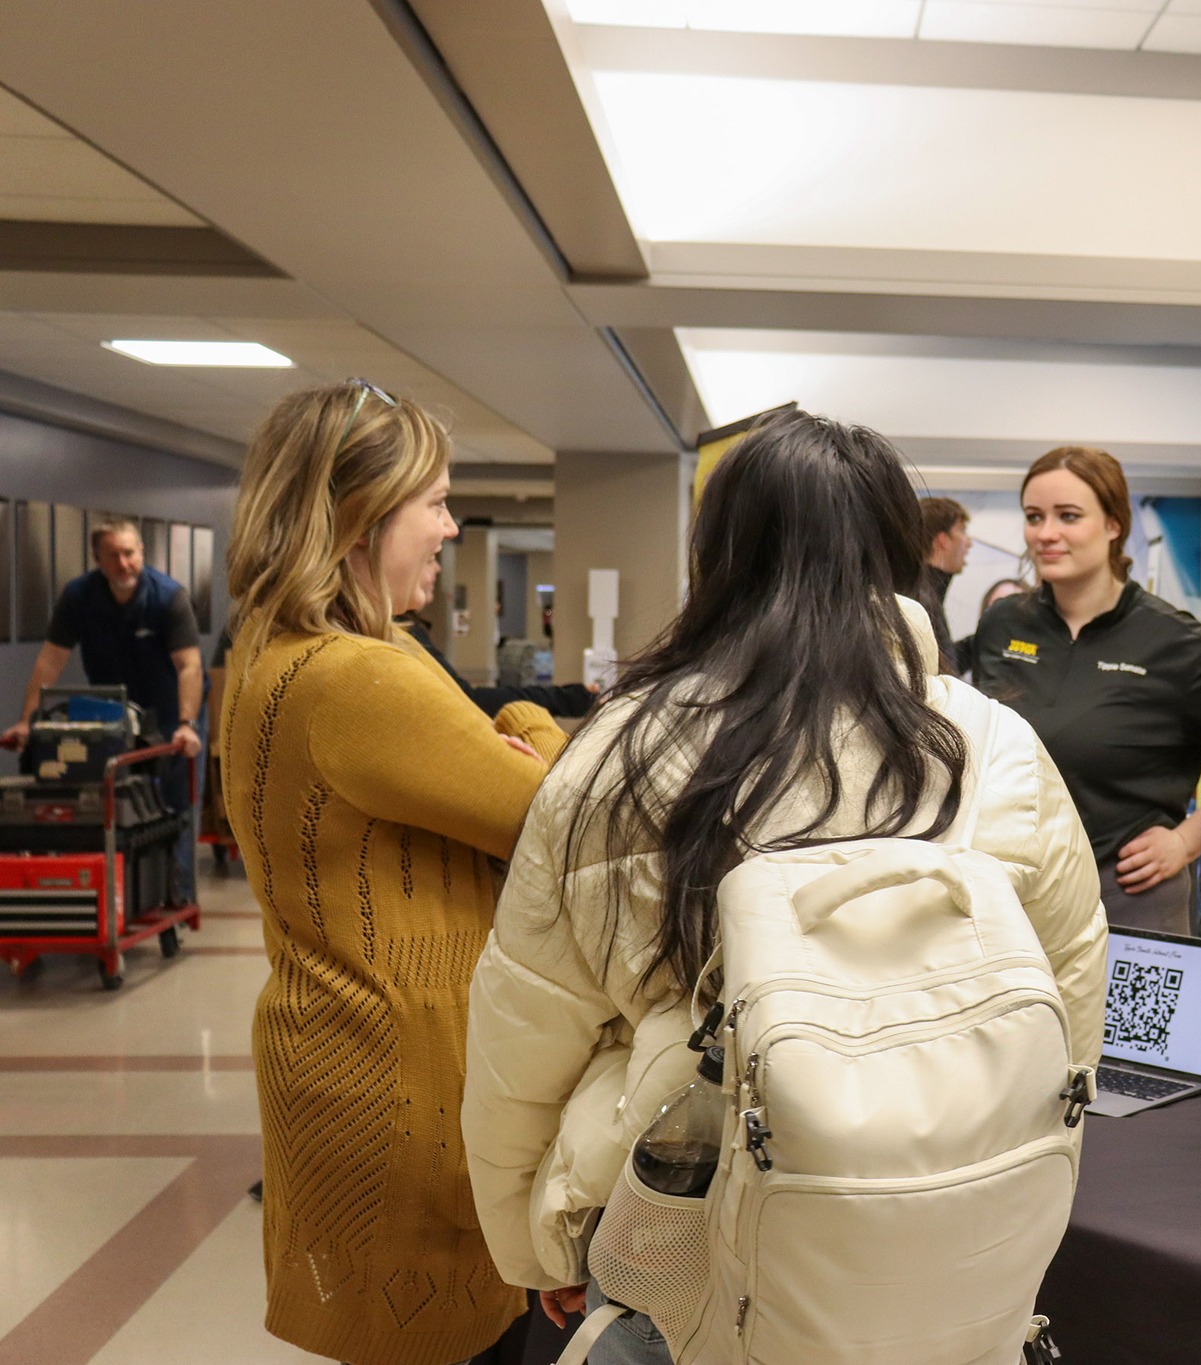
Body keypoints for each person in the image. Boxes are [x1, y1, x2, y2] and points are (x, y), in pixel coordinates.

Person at [462, 410, 1105, 1365]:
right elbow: (1069, 1008)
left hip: (680, 1237)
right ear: (898, 549)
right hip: (936, 1245)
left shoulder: (627, 751)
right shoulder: (993, 745)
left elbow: (529, 1029)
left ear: (720, 552)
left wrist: (536, 1240)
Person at [217, 379, 566, 1365]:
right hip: (401, 1082)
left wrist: (497, 737)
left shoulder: (277, 648)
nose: (450, 527)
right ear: (359, 516)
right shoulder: (359, 677)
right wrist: (528, 723)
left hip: (333, 1054)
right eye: (435, 502)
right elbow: (563, 815)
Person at [972, 447, 1201, 936]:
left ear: (1115, 525)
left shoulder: (1178, 644)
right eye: (1034, 517)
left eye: (1068, 517)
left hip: (1128, 899)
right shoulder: (1003, 623)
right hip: (1012, 895)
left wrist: (1188, 840)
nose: (1046, 534)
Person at [2, 515, 206, 897]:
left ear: (141, 552)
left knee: (175, 803)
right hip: (115, 715)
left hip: (173, 711)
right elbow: (50, 661)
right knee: (116, 801)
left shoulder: (168, 597)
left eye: (129, 553)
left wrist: (187, 722)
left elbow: (190, 665)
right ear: (97, 558)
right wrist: (27, 722)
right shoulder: (79, 597)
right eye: (113, 556)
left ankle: (174, 894)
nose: (123, 563)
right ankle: (122, 894)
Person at [398, 610, 599, 719]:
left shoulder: (404, 632)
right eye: (430, 560)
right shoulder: (400, 635)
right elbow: (469, 701)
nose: (435, 568)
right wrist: (570, 699)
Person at [916, 495, 972, 674]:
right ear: (942, 540)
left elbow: (942, 661)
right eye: (962, 531)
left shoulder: (923, 591)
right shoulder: (921, 598)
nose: (969, 543)